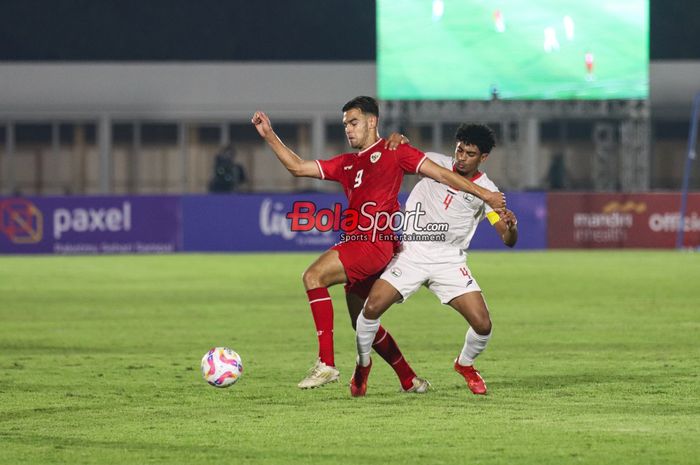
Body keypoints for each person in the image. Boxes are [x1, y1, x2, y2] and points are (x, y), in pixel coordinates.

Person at [251, 97, 505, 391]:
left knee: (313, 276)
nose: (348, 129)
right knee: (362, 319)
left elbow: (445, 175)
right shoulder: (347, 163)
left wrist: (485, 195)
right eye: (345, 123)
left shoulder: (395, 152)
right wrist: (269, 135)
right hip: (369, 244)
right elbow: (297, 167)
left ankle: (326, 364)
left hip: (374, 243)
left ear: (372, 122)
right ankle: (407, 378)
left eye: (354, 122)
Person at [353, 123, 518, 397]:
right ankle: (362, 365)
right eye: (459, 149)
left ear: (483, 157)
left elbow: (507, 239)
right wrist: (394, 141)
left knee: (483, 324)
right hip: (412, 254)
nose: (462, 157)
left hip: (449, 262)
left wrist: (511, 226)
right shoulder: (433, 163)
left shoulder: (488, 190)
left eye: (470, 153)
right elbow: (394, 156)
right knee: (371, 309)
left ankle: (465, 364)